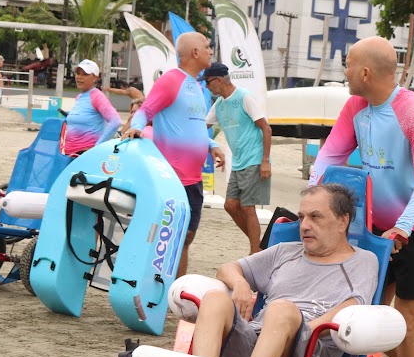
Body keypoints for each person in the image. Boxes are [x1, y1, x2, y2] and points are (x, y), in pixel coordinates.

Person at [308, 35, 414, 357]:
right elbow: (330, 157)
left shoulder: (412, 111)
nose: (344, 72)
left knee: (406, 322)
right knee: (362, 316)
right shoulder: (355, 107)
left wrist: (404, 224)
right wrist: (312, 200)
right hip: (373, 230)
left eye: (348, 65)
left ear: (365, 72)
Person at [172, 184, 379, 357]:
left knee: (281, 309)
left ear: (343, 221)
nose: (304, 226)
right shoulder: (285, 252)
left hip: (311, 348)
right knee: (214, 298)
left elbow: (352, 306)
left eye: (315, 217)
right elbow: (227, 269)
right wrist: (240, 284)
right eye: (302, 217)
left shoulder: (363, 260)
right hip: (260, 336)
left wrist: (301, 329)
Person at [123, 32, 226, 277]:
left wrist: (211, 144)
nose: (211, 51)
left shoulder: (198, 86)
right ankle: (148, 281)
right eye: (207, 46)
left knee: (187, 237)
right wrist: (136, 127)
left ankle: (175, 291)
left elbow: (194, 125)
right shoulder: (171, 80)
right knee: (163, 235)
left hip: (194, 179)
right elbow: (146, 109)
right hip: (170, 178)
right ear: (195, 52)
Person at [202, 62, 272, 254]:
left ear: (218, 80)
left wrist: (265, 161)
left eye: (208, 83)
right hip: (239, 162)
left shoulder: (244, 97)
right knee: (230, 205)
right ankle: (257, 245)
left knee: (248, 207)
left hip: (255, 159)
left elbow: (266, 128)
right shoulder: (219, 104)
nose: (207, 87)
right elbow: (201, 128)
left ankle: (254, 251)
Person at [60, 59, 122, 156]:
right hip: (70, 155)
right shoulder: (79, 97)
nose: (79, 77)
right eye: (78, 73)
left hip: (85, 157)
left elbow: (116, 121)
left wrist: (96, 147)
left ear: (95, 78)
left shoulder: (97, 96)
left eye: (85, 74)